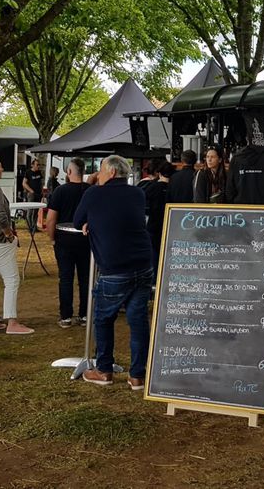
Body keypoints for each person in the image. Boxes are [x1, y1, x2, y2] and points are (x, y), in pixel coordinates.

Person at [73, 155, 153, 389]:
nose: (98, 175)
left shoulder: (94, 194)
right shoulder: (138, 193)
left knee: (103, 318)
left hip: (114, 266)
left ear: (109, 172)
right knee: (138, 320)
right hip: (143, 263)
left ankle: (104, 369)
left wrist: (90, 223)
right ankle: (138, 375)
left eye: (100, 171)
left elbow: (79, 221)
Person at [0, 154, 34, 335]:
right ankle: (12, 321)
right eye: (0, 166)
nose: (2, 169)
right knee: (12, 280)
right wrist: (9, 234)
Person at [45, 158, 90, 328]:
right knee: (86, 278)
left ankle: (65, 317)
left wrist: (52, 238)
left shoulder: (60, 191)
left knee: (65, 278)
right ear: (83, 171)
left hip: (64, 239)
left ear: (69, 172)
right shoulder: (90, 191)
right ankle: (85, 315)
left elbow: (50, 219)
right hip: (86, 240)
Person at [145, 161, 174, 272]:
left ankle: (155, 279)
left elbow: (146, 205)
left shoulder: (152, 187)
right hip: (170, 224)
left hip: (153, 225)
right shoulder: (173, 188)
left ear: (160, 173)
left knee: (154, 253)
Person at [21, 158, 44, 233]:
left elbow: (40, 182)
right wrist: (31, 190)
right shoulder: (28, 172)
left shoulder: (39, 172)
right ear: (32, 165)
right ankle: (29, 227)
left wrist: (42, 191)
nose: (38, 166)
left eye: (39, 165)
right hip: (31, 194)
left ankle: (34, 227)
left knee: (36, 211)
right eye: (37, 165)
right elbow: (24, 183)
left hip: (38, 194)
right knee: (30, 211)